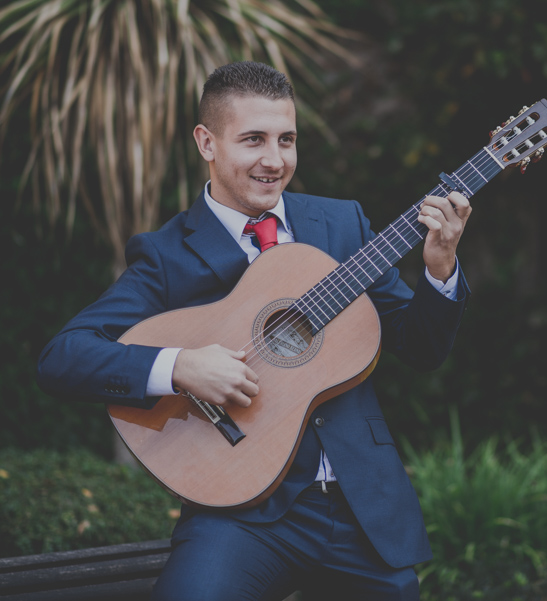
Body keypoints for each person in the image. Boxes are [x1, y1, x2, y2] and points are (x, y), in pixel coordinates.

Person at [36, 61, 472, 601]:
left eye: (286, 139)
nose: (275, 160)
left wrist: (440, 269)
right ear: (207, 142)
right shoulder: (168, 255)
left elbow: (421, 348)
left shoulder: (342, 226)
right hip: (241, 513)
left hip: (362, 508)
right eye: (253, 140)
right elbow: (63, 357)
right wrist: (181, 367)